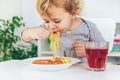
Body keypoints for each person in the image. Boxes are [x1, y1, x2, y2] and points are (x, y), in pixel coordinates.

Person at [21, 0, 105, 62]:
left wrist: (89, 50)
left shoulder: (89, 28)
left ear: (73, 13)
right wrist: (30, 33)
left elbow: (103, 48)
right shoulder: (48, 27)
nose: (51, 26)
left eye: (57, 21)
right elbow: (24, 38)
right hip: (59, 71)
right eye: (46, 21)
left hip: (83, 72)